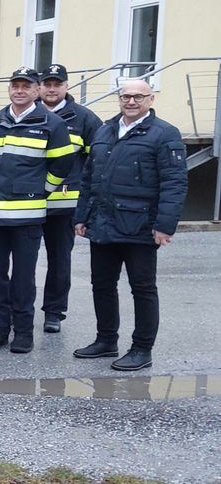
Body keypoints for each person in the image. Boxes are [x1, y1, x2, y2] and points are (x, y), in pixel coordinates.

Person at [73, 79, 187, 371]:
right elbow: (89, 178)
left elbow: (174, 183)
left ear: (150, 99)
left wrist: (165, 225)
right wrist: (81, 216)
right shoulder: (105, 129)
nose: (131, 101)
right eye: (126, 96)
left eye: (138, 96)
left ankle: (141, 349)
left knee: (143, 289)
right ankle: (106, 340)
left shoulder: (165, 134)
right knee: (102, 285)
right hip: (103, 223)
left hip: (141, 226)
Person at [0, 66, 74, 355]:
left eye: (26, 86)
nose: (19, 91)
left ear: (36, 90)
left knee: (23, 277)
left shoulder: (51, 123)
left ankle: (22, 332)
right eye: (15, 86)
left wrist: (42, 189)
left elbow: (62, 165)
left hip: (26, 214)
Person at [37, 63, 102, 333]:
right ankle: (19, 311)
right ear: (39, 86)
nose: (52, 88)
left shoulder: (84, 119)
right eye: (47, 83)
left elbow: (97, 161)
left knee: (60, 260)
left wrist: (87, 204)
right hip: (25, 204)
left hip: (64, 205)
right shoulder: (25, 113)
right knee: (22, 263)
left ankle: (54, 312)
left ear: (66, 86)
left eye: (57, 83)